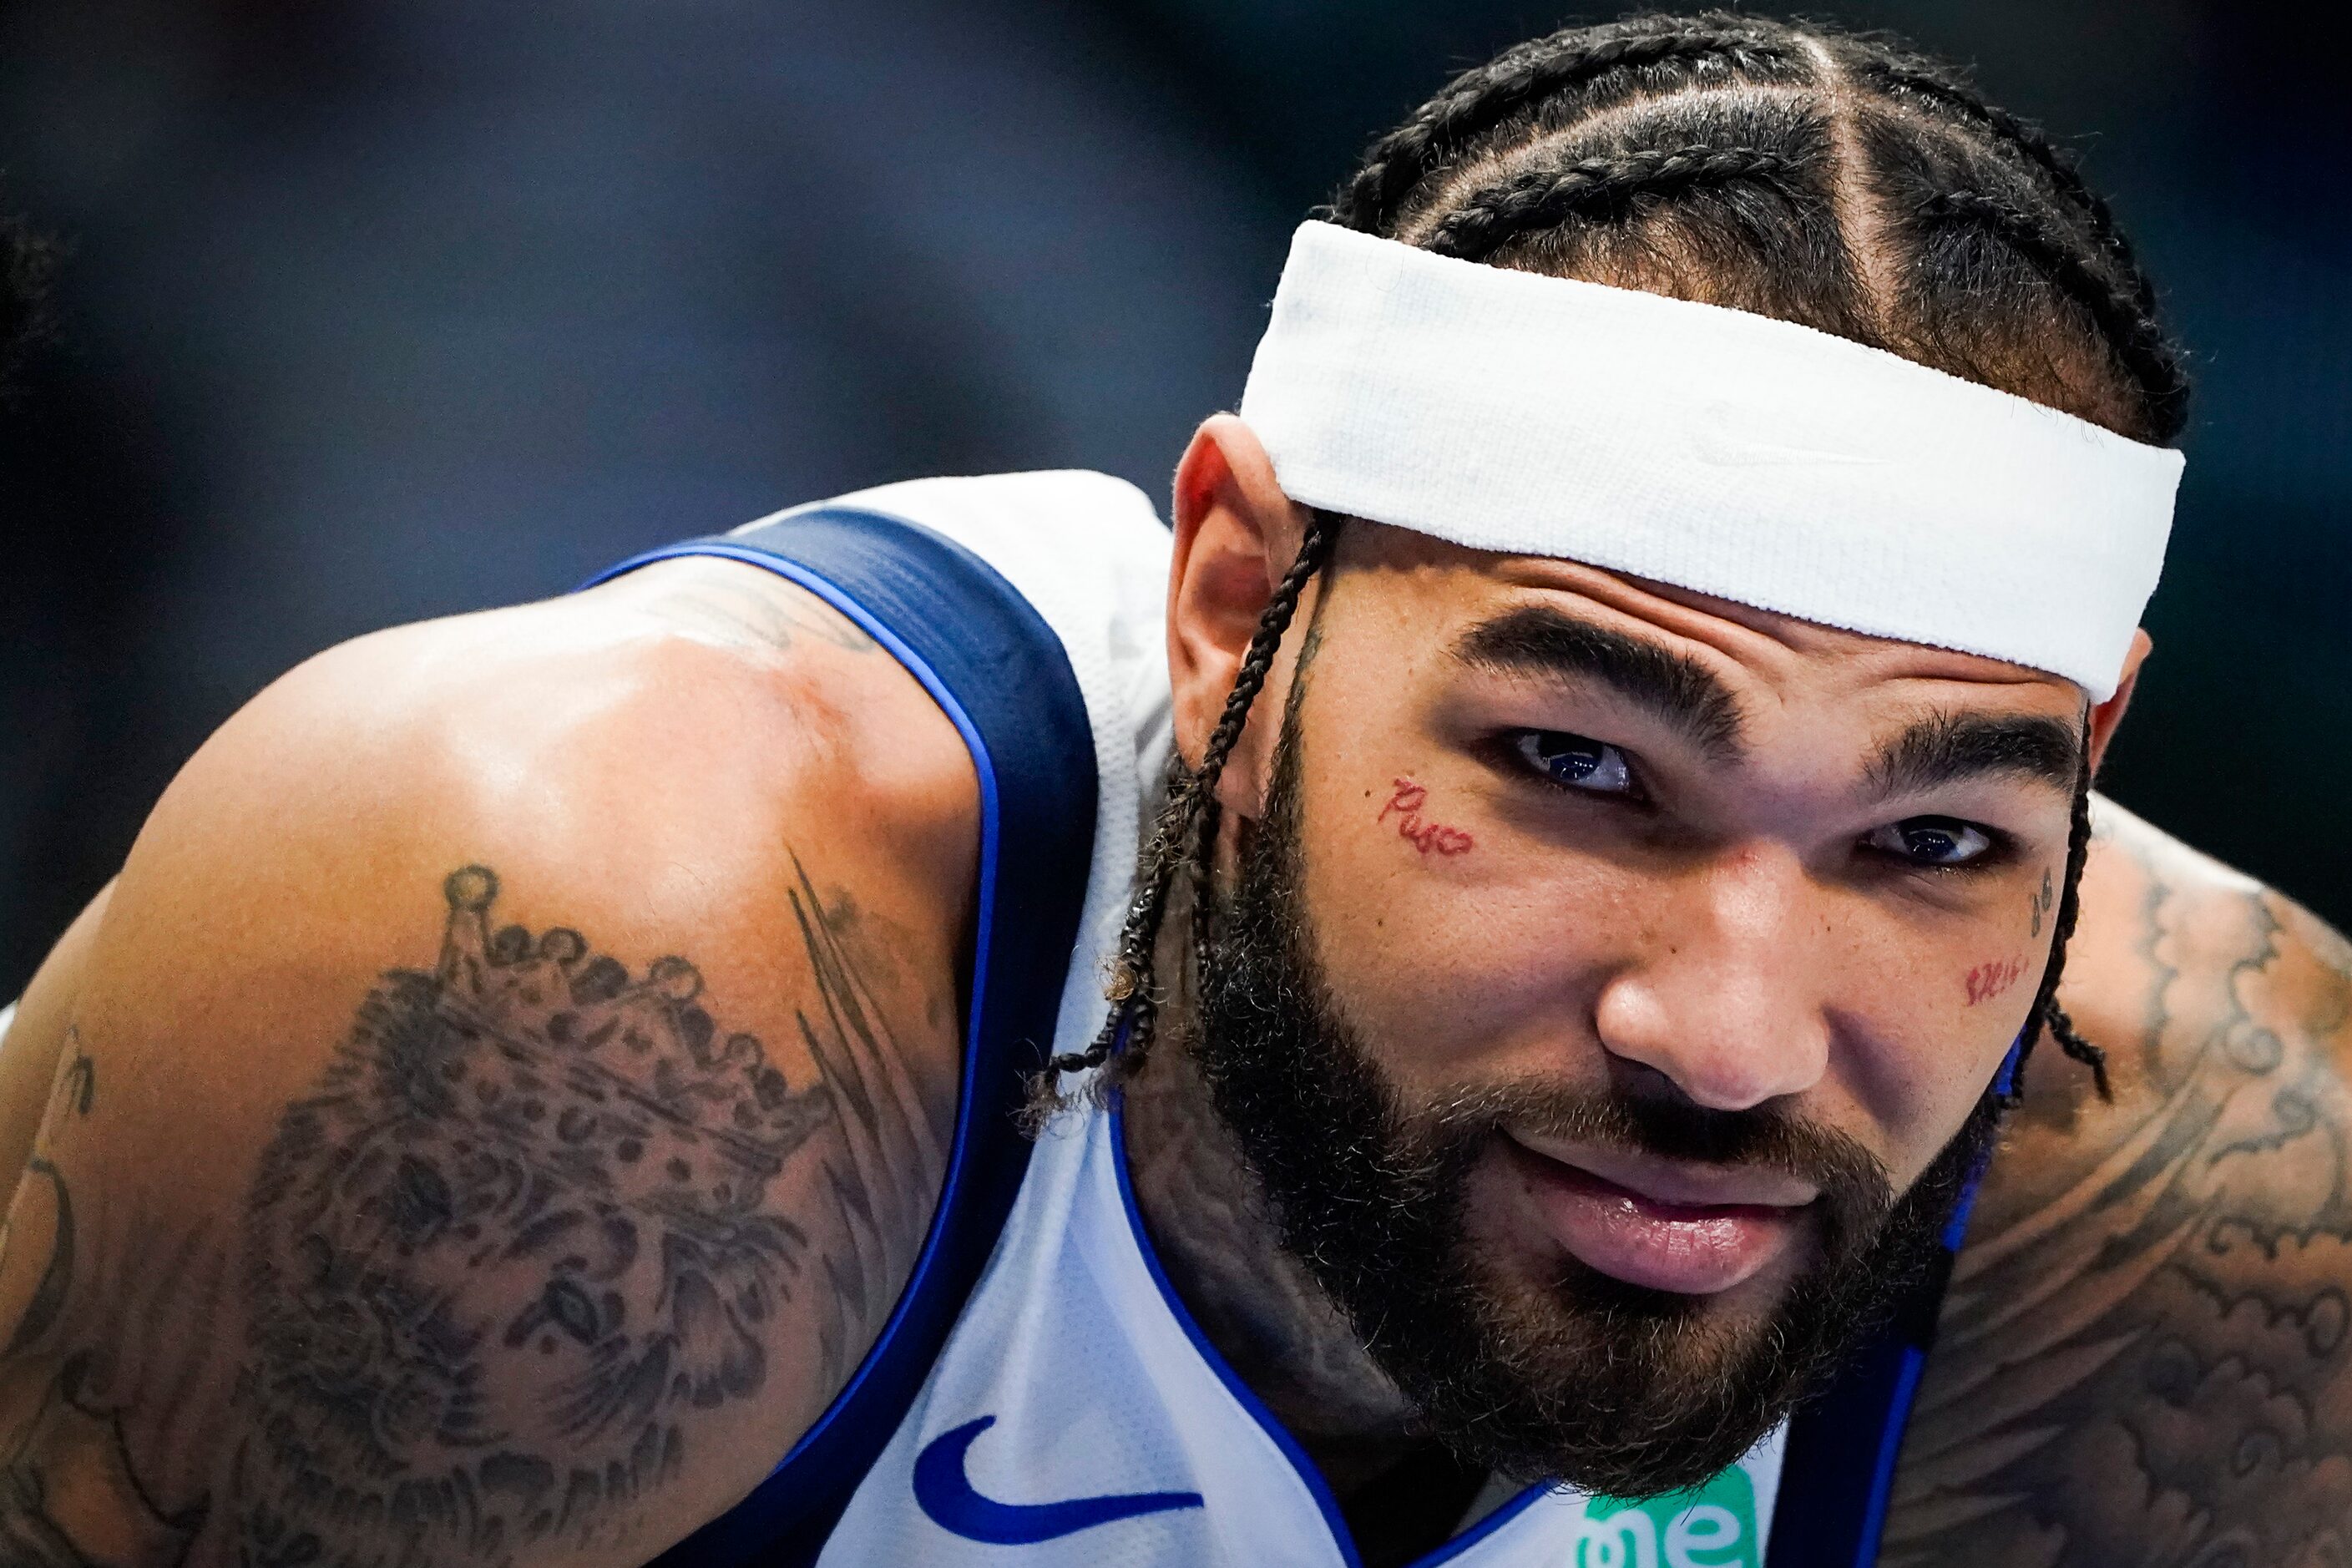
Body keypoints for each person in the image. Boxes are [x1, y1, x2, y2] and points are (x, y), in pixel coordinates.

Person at [0, 12, 2344, 1568]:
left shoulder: (2214, 1191)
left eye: (1928, 838)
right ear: (1228, 597)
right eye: (1570, 768)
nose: (1723, 1041)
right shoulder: (568, 981)